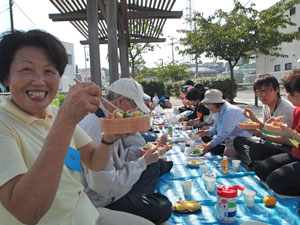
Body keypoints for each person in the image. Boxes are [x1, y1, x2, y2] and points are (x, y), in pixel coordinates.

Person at [0, 30, 154, 225]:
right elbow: (27, 213)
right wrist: (65, 121)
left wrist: (110, 137)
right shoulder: (5, 124)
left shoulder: (54, 113)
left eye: (49, 71)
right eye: (26, 69)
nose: (39, 80)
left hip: (87, 214)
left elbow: (94, 162)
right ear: (6, 77)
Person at [79, 78, 173, 224]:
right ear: (121, 101)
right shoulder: (95, 127)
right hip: (102, 199)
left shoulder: (109, 119)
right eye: (134, 107)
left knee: (153, 167)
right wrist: (143, 161)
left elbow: (118, 157)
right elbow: (106, 187)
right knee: (163, 207)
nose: (135, 112)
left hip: (112, 188)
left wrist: (141, 152)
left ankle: (139, 201)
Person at [255, 69, 300, 196]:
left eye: (288, 93)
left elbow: (291, 138)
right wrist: (283, 130)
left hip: (288, 150)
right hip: (295, 153)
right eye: (260, 91)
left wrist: (291, 134)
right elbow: (294, 142)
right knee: (261, 169)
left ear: (297, 94)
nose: (286, 95)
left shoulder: (288, 109)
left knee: (275, 181)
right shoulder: (297, 110)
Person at [233, 74, 294, 168]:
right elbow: (265, 128)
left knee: (257, 147)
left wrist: (263, 135)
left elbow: (288, 141)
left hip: (283, 147)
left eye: (268, 90)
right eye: (260, 91)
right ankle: (251, 163)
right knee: (238, 140)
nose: (263, 94)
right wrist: (252, 118)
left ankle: (257, 163)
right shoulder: (266, 106)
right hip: (269, 143)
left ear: (277, 90)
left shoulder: (287, 110)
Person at [197, 89, 251, 156]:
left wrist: (209, 145)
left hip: (241, 140)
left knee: (227, 154)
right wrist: (206, 132)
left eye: (209, 105)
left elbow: (223, 134)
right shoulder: (217, 111)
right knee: (208, 141)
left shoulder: (229, 112)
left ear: (216, 103)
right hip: (229, 139)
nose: (208, 108)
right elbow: (215, 129)